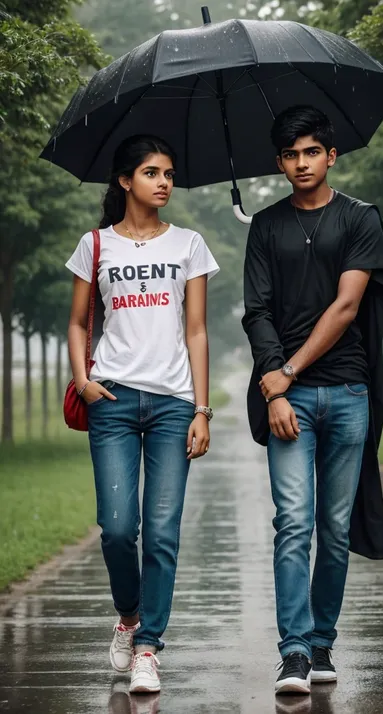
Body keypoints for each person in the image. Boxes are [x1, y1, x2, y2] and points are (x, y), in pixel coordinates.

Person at [242, 106, 383, 695]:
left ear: (331, 156)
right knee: (293, 525)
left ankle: (323, 641)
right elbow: (256, 310)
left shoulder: (361, 219)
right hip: (290, 403)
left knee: (333, 527)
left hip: (349, 391)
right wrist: (277, 386)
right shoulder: (266, 226)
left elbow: (347, 306)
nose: (300, 163)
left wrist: (289, 369)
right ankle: (295, 653)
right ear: (278, 162)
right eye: (289, 154)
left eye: (311, 152)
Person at [66, 135, 219, 695]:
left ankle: (148, 647)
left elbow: (197, 330)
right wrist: (84, 382)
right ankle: (129, 616)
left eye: (170, 173)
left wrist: (201, 409)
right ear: (125, 181)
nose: (164, 182)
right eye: (151, 172)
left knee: (160, 531)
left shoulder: (189, 245)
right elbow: (79, 321)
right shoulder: (95, 245)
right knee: (116, 529)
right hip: (112, 400)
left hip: (174, 404)